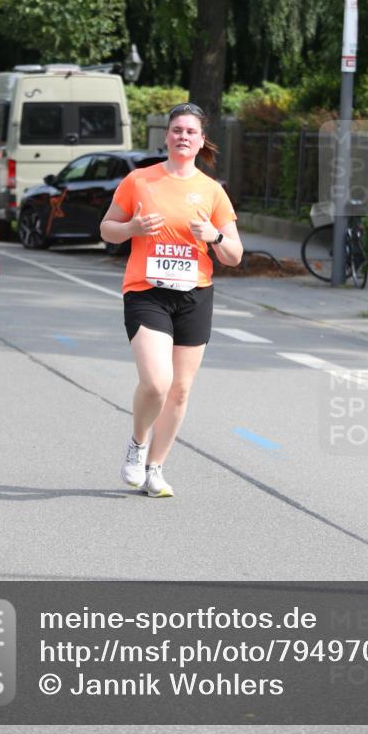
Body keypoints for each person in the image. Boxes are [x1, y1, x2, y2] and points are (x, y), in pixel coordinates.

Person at [100, 103, 243, 498]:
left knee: (180, 390)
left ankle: (156, 469)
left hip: (195, 294)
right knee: (157, 382)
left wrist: (212, 236)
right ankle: (137, 442)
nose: (183, 136)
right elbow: (107, 229)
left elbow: (235, 254)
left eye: (190, 132)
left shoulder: (213, 192)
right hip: (147, 291)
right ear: (166, 136)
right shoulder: (140, 181)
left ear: (201, 142)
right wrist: (132, 227)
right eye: (177, 129)